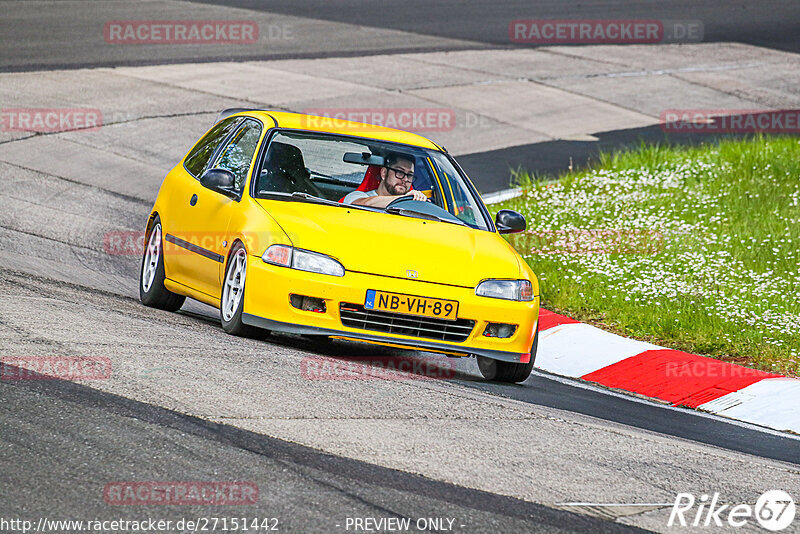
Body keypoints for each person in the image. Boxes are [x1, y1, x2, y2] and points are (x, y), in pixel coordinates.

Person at [342, 154, 427, 208]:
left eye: (409, 175)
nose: (405, 179)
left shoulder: (412, 203)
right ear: (384, 173)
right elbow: (364, 204)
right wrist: (404, 199)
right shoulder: (357, 196)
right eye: (400, 172)